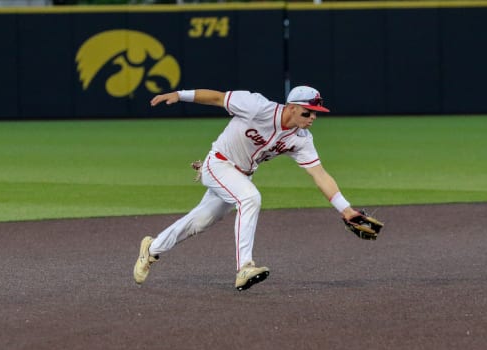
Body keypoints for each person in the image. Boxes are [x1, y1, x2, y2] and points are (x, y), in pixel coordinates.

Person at [133, 85, 361, 291]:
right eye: (307, 112)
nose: (312, 117)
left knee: (200, 221)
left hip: (242, 176)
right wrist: (179, 95)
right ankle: (244, 267)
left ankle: (152, 248)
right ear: (291, 108)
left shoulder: (301, 139)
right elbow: (216, 98)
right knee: (250, 198)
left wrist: (346, 210)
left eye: (315, 113)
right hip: (219, 164)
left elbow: (319, 174)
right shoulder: (257, 107)